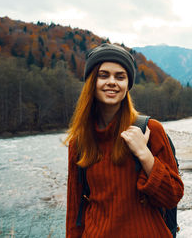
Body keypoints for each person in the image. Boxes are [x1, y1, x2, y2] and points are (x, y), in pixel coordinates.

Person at [65, 43, 184, 238]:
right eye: (103, 75)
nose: (112, 82)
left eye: (120, 76)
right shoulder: (79, 142)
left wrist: (145, 155)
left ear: (128, 84)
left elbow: (172, 196)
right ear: (91, 82)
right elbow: (74, 210)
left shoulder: (150, 130)